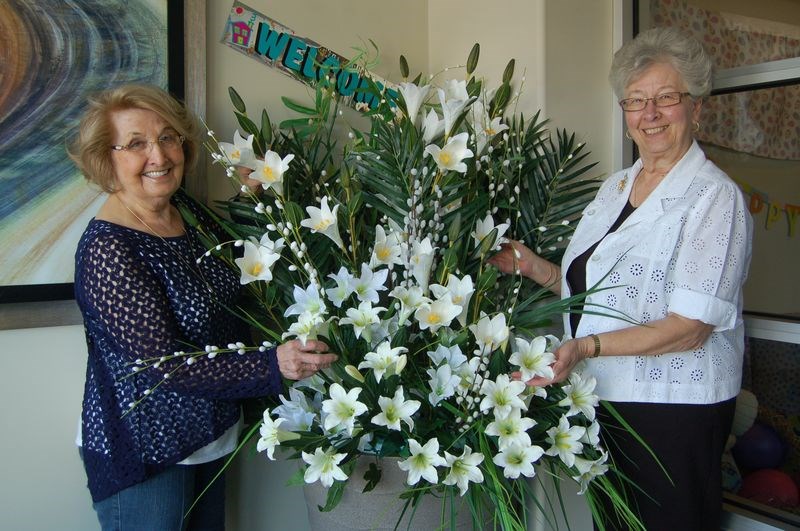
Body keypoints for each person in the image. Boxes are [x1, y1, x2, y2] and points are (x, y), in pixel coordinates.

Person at [490, 27, 752, 530]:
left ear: (696, 108)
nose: (649, 114)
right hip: (605, 401)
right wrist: (533, 267)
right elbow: (596, 292)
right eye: (635, 101)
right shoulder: (617, 186)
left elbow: (691, 327)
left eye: (666, 98)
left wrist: (584, 347)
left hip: (672, 411)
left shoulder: (714, 198)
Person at [69, 84, 338, 531]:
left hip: (209, 434)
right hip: (147, 449)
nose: (159, 155)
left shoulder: (184, 211)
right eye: (136, 143)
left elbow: (221, 266)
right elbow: (165, 364)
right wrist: (274, 364)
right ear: (106, 158)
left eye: (168, 137)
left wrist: (253, 199)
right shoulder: (109, 249)